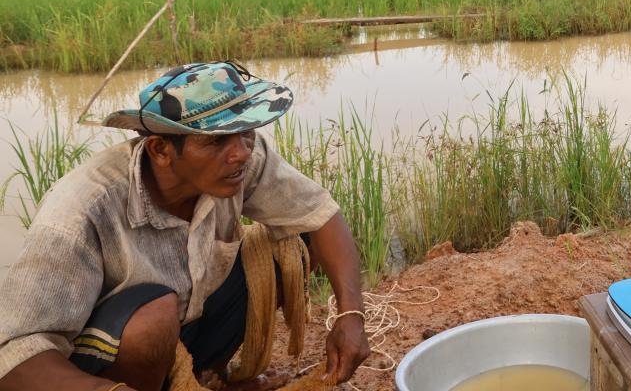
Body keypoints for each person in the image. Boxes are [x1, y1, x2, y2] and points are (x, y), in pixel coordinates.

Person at [0, 61, 372, 391]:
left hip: (183, 334)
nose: (242, 151)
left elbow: (320, 215)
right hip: (108, 363)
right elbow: (14, 354)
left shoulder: (241, 160)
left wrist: (351, 314)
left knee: (297, 242)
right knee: (153, 314)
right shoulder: (81, 211)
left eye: (246, 131)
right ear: (161, 150)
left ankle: (205, 374)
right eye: (215, 140)